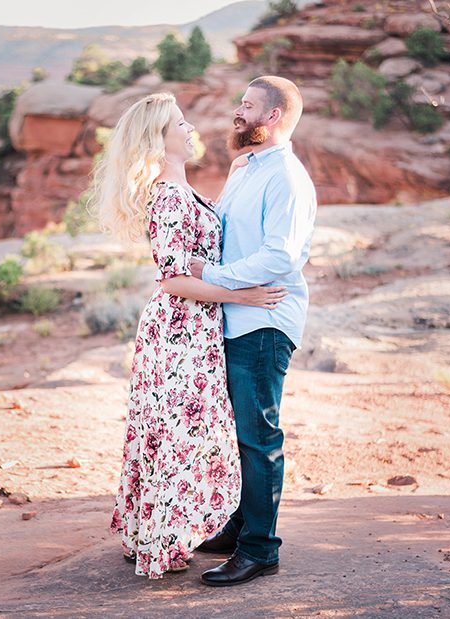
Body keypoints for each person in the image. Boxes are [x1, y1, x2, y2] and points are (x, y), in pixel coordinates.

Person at [91, 92, 287, 578]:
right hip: (180, 329)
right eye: (180, 123)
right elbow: (173, 278)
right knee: (178, 433)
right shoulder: (171, 194)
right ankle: (162, 541)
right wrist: (241, 295)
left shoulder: (181, 188)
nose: (190, 128)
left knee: (171, 433)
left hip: (191, 327)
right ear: (160, 139)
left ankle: (152, 534)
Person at [190, 76, 317, 587]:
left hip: (263, 322)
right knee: (241, 434)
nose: (236, 114)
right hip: (237, 316)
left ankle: (260, 550)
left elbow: (279, 256)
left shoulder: (285, 176)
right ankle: (241, 526)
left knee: (259, 437)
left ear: (273, 117)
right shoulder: (247, 168)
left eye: (247, 107)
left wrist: (211, 279)